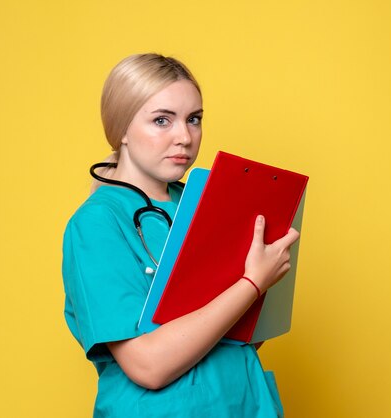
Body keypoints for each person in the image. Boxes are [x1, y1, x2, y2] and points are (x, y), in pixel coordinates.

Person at [62, 53, 299, 417]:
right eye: (162, 120)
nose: (185, 137)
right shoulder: (96, 224)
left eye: (194, 119)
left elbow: (234, 336)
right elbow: (148, 367)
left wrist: (266, 282)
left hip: (242, 402)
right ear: (121, 127)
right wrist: (252, 283)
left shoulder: (206, 205)